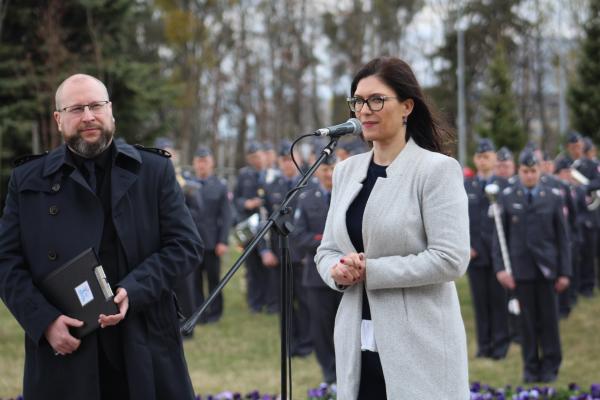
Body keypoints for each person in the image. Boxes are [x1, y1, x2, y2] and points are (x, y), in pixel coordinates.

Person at [0, 74, 203, 399]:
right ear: (58, 119)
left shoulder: (153, 171)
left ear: (111, 111)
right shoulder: (28, 181)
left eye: (96, 105)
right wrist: (44, 321)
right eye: (76, 109)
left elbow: (186, 246)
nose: (88, 116)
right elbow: (6, 263)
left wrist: (134, 290)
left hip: (144, 341)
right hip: (67, 348)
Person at [315, 57, 470, 399]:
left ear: (407, 107)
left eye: (376, 100)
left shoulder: (436, 171)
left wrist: (372, 270)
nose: (364, 110)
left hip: (420, 345)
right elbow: (327, 249)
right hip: (356, 341)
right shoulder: (345, 172)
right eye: (357, 101)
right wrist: (338, 270)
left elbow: (450, 259)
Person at [494, 150, 571, 383]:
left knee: (549, 321)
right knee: (526, 323)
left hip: (547, 270)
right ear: (519, 171)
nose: (529, 175)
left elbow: (562, 238)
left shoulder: (553, 196)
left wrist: (565, 272)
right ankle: (530, 366)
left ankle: (550, 365)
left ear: (540, 170)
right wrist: (501, 268)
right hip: (520, 271)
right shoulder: (507, 197)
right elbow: (499, 238)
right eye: (525, 171)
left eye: (533, 171)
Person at [292, 154, 341, 385]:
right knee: (321, 327)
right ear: (318, 171)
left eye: (332, 169)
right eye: (324, 169)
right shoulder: (307, 198)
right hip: (316, 275)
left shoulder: (347, 193)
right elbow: (299, 235)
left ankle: (346, 369)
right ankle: (329, 372)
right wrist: (324, 242)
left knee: (345, 326)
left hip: (347, 274)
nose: (329, 174)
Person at [464, 138, 510, 359]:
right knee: (480, 303)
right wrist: (467, 246)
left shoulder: (504, 187)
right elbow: (459, 220)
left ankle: (500, 346)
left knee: (498, 301)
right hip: (474, 254)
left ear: (494, 159)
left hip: (497, 254)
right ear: (475, 159)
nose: (483, 160)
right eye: (480, 157)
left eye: (487, 156)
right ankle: (484, 346)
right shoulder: (467, 186)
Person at [192, 145, 232, 323]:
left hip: (212, 242)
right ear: (194, 164)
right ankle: (198, 313)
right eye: (199, 162)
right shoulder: (187, 185)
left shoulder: (220, 186)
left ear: (212, 163)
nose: (202, 165)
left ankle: (215, 313)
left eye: (205, 161)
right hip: (192, 242)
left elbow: (226, 215)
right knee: (194, 281)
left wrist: (222, 241)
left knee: (214, 279)